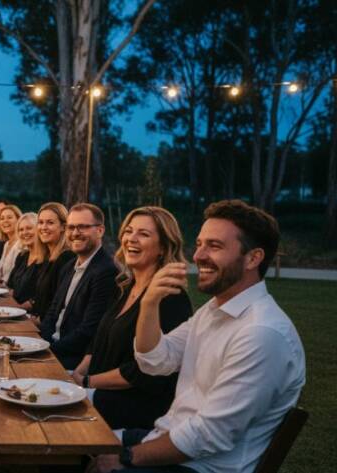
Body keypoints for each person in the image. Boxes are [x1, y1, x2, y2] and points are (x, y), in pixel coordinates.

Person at [93, 200, 305, 473]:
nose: (198, 256)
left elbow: (209, 435)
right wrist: (149, 304)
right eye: (200, 243)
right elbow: (155, 362)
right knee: (74, 437)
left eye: (214, 246)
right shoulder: (214, 310)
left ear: (253, 258)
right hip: (167, 437)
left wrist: (125, 457)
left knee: (83, 454)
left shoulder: (262, 333)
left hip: (199, 465)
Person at [71, 207, 192, 430]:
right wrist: (77, 373)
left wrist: (86, 383)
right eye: (128, 231)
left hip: (134, 407)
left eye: (144, 234)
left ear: (163, 247)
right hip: (96, 388)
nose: (131, 239)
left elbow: (143, 373)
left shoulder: (170, 298)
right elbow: (98, 341)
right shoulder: (124, 287)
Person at [39, 203, 118, 370]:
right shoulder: (69, 266)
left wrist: (47, 350)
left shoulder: (106, 271)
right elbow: (52, 312)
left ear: (100, 230)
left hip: (73, 361)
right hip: (52, 348)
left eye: (82, 227)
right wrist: (42, 342)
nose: (75, 233)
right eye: (71, 227)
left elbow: (88, 330)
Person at [29, 202, 74, 319]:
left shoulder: (67, 258)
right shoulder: (47, 257)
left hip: (48, 330)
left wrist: (38, 322)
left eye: (50, 223)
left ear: (63, 227)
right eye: (40, 222)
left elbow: (60, 305)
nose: (43, 227)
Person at [7, 212, 42, 308]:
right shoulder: (22, 256)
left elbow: (40, 298)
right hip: (13, 309)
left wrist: (18, 308)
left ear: (39, 229)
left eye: (29, 228)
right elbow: (11, 286)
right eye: (21, 230)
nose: (24, 233)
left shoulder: (45, 260)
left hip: (29, 314)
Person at [0, 204, 23, 284]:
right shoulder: (7, 244)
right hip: (0, 289)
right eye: (2, 218)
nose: (5, 221)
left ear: (18, 220)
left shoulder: (21, 245)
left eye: (9, 217)